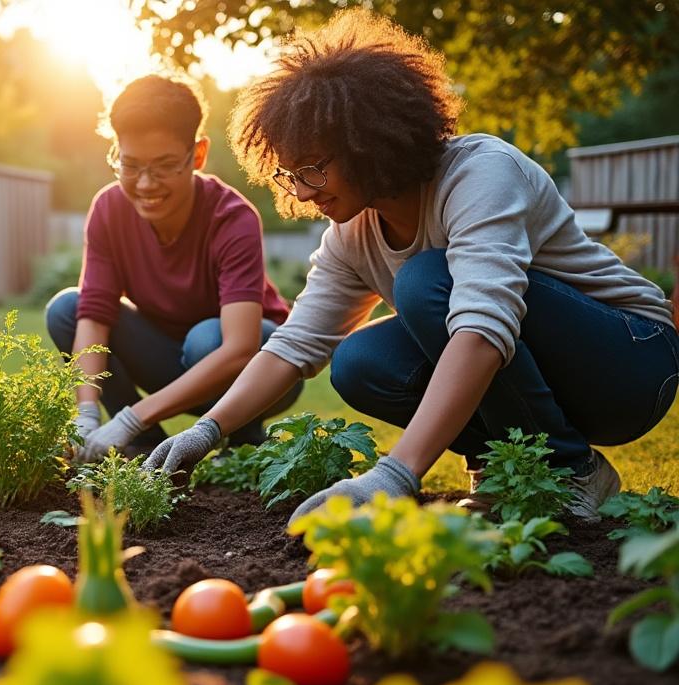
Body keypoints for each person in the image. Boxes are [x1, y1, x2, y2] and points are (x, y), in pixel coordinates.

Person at [144, 10, 678, 523]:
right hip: (555, 369)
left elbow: (483, 327)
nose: (302, 192)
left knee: (427, 281)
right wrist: (208, 431)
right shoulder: (351, 232)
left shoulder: (480, 175)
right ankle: (509, 470)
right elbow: (294, 343)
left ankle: (571, 471)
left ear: (369, 143)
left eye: (313, 169)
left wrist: (395, 474)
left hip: (632, 363)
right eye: (291, 174)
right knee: (360, 361)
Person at [45, 74, 300, 464]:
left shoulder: (232, 218)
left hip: (258, 371)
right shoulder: (109, 209)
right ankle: (146, 448)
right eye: (129, 165)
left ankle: (243, 437)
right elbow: (94, 316)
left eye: (164, 166)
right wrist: (85, 413)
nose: (146, 184)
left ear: (197, 155)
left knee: (207, 338)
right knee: (66, 309)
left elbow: (239, 347)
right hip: (170, 359)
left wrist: (131, 417)